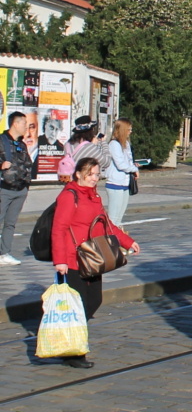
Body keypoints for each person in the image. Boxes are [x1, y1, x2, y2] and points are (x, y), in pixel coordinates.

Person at [51, 157, 140, 369]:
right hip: (74, 259)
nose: (94, 178)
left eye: (97, 174)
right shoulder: (69, 196)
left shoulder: (94, 196)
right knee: (78, 306)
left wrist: (128, 241)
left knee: (94, 301)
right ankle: (75, 353)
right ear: (79, 174)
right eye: (90, 174)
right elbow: (59, 230)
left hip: (92, 257)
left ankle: (71, 342)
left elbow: (107, 224)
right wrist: (60, 261)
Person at [0, 111, 35, 266]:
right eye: (23, 124)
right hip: (4, 188)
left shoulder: (21, 143)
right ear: (15, 123)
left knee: (10, 223)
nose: (26, 127)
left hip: (20, 189)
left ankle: (4, 253)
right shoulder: (2, 141)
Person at [105, 118, 139, 226]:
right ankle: (110, 239)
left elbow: (127, 161)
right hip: (115, 183)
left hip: (125, 183)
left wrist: (134, 166)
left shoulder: (126, 144)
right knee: (113, 218)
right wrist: (134, 169)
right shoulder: (114, 144)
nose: (130, 132)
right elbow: (120, 164)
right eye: (128, 130)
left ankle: (118, 238)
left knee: (119, 217)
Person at [59, 116, 109, 183]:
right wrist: (103, 143)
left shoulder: (67, 144)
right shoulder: (90, 147)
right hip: (84, 184)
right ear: (90, 131)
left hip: (70, 182)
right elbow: (106, 162)